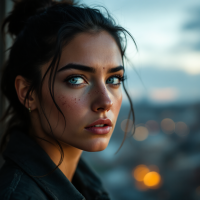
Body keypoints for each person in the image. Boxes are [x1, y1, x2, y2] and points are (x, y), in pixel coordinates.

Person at [0, 0, 136, 199]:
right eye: (76, 79)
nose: (105, 101)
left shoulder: (85, 184)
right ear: (28, 93)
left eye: (113, 79)